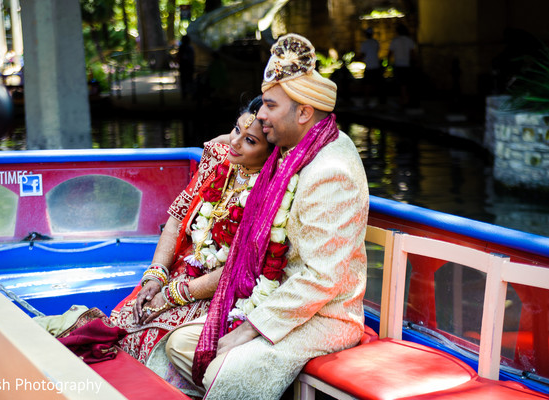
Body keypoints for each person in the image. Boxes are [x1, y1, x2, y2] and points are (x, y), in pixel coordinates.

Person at [148, 33, 369, 400]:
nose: (261, 114)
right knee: (180, 345)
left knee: (224, 369)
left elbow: (321, 279)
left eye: (269, 105)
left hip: (324, 315)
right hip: (278, 297)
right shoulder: (290, 150)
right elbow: (232, 147)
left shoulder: (331, 169)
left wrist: (250, 327)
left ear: (303, 112)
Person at [109, 95, 273, 364]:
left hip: (220, 292)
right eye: (236, 129)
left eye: (250, 141)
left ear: (271, 150)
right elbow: (176, 219)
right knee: (124, 325)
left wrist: (173, 295)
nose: (234, 142)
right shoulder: (216, 162)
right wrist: (156, 276)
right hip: (181, 273)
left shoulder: (270, 191)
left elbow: (239, 267)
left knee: (151, 342)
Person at [388, 24, 417, 107]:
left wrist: (387, 62)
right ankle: (406, 100)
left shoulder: (395, 41)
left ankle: (403, 100)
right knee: (406, 83)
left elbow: (390, 53)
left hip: (398, 65)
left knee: (400, 84)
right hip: (406, 64)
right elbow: (412, 53)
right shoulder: (409, 40)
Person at [358, 27, 383, 107]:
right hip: (376, 65)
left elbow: (363, 54)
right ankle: (380, 100)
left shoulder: (365, 44)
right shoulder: (376, 42)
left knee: (367, 84)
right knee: (378, 84)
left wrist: (357, 58)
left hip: (369, 66)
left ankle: (367, 100)